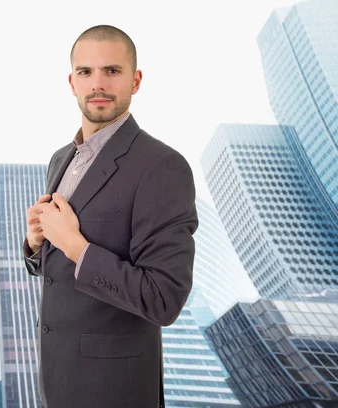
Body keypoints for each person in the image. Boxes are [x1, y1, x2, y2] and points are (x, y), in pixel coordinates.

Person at [23, 24, 199, 408]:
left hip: (115, 388)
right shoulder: (60, 158)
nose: (97, 84)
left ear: (135, 81)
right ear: (72, 82)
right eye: (86, 72)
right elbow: (57, 274)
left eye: (112, 71)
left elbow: (163, 298)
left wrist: (73, 244)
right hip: (57, 378)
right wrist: (37, 244)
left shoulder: (162, 166)